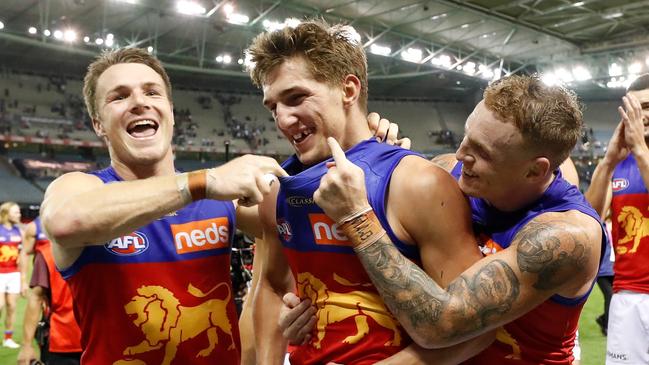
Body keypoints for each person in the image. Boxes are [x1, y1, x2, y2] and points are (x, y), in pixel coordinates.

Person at [308, 74, 605, 364]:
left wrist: (358, 218)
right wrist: (383, 156)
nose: (461, 154)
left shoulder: (565, 237)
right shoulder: (452, 171)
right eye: (466, 137)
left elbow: (441, 325)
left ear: (535, 171)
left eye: (482, 152)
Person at [247, 20, 492, 365]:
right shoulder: (278, 192)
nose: (283, 120)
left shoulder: (417, 184)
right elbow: (273, 286)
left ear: (348, 90)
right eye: (273, 107)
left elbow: (477, 327)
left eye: (296, 97)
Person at [39, 47, 287, 365]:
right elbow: (64, 221)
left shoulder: (221, 199)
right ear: (98, 124)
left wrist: (363, 144)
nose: (139, 102)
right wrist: (203, 182)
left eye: (152, 92)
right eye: (119, 97)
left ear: (169, 110)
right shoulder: (80, 187)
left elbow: (302, 220)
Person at [584, 73, 649, 364]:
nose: (640, 116)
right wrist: (608, 161)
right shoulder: (620, 165)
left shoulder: (637, 155)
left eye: (646, 107)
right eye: (633, 109)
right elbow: (588, 220)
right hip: (627, 296)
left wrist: (640, 150)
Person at [17, 217, 82, 365]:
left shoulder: (47, 252)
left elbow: (36, 298)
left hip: (65, 339)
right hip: (91, 339)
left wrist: (26, 346)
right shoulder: (109, 249)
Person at [0, 201, 24, 349]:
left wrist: (22, 279)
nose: (19, 214)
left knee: (12, 306)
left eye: (19, 212)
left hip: (13, 273)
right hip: (0, 273)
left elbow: (22, 257)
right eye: (15, 212)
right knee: (0, 305)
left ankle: (8, 338)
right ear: (6, 214)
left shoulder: (19, 232)